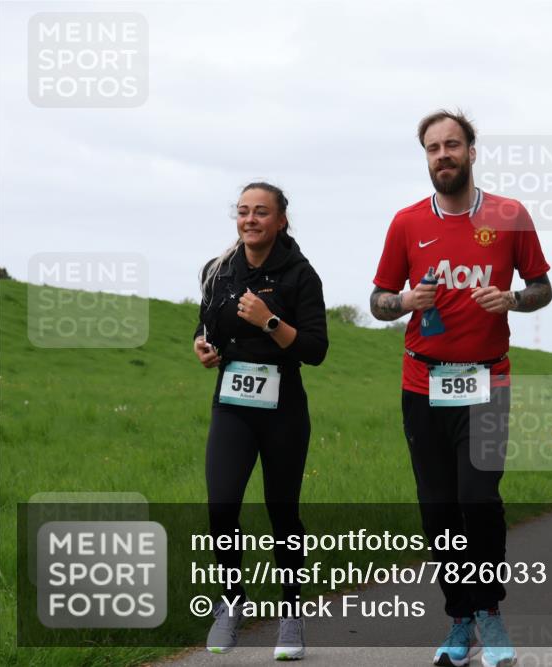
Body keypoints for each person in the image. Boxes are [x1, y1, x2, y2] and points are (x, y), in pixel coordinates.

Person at [370, 109, 552, 667]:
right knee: (437, 509)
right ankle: (459, 619)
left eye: (452, 144)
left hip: (487, 381)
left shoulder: (509, 215)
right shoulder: (406, 223)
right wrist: (404, 302)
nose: (443, 155)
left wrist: (514, 300)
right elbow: (378, 301)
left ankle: (489, 612)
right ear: (426, 157)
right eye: (432, 148)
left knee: (479, 499)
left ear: (472, 151)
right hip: (422, 384)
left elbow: (541, 287)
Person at [194, 182, 328, 660]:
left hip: (283, 408)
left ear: (281, 220)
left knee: (282, 511)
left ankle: (291, 614)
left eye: (261, 212)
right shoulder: (219, 270)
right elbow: (206, 323)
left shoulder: (299, 274)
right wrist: (204, 347)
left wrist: (270, 321)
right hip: (231, 404)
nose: (250, 219)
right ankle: (231, 603)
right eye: (243, 211)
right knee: (221, 505)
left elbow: (316, 350)